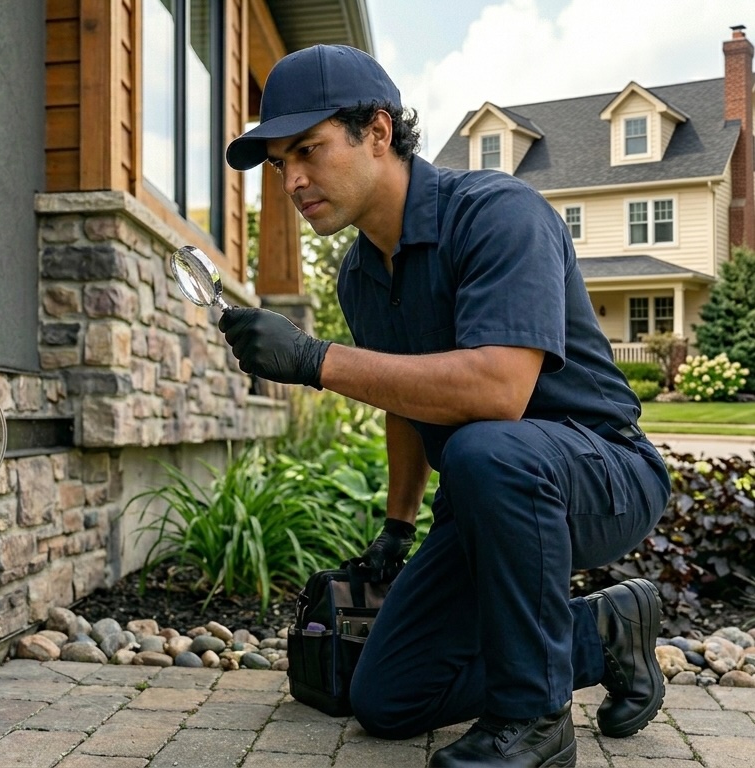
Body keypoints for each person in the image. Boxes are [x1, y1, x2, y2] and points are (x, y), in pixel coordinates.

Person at [221, 44, 671, 768]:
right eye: (279, 163)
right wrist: (397, 528)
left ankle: (533, 721)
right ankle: (607, 630)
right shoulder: (361, 276)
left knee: (484, 445)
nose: (293, 180)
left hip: (601, 475)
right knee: (388, 698)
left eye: (308, 149)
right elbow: (403, 393)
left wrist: (313, 361)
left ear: (376, 130)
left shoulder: (497, 214)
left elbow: (498, 392)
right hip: (487, 492)